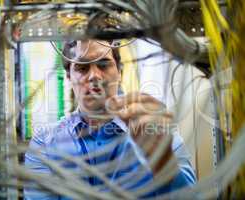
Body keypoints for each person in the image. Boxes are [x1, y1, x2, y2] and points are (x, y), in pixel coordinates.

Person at [24, 40, 196, 199]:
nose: (94, 76)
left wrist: (163, 161)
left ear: (120, 72)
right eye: (82, 67)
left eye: (104, 65)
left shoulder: (154, 130)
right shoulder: (45, 143)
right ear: (69, 77)